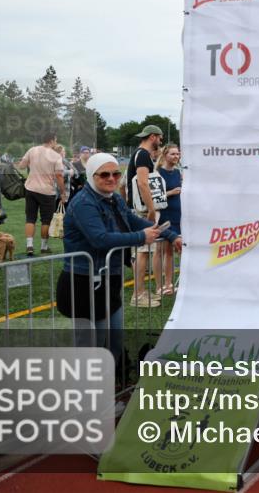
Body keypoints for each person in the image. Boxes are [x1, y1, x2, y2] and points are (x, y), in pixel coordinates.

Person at [58, 152, 181, 375]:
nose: (112, 178)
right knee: (92, 345)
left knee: (114, 339)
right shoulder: (84, 203)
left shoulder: (113, 199)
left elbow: (134, 221)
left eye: (116, 173)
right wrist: (141, 237)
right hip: (83, 281)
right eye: (104, 174)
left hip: (108, 278)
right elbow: (100, 238)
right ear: (91, 175)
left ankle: (112, 389)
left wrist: (172, 235)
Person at [125, 125, 165, 307]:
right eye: (160, 137)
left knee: (144, 252)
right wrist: (150, 209)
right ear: (152, 137)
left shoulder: (138, 154)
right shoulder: (142, 155)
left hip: (138, 208)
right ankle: (138, 295)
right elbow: (142, 183)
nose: (161, 141)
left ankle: (140, 290)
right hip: (142, 210)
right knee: (142, 252)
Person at [18, 131, 67, 256]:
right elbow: (59, 176)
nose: (56, 142)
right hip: (47, 191)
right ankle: (44, 247)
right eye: (55, 140)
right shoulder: (56, 156)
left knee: (30, 218)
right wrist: (63, 192)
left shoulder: (32, 150)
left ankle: (29, 245)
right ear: (52, 140)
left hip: (30, 188)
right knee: (46, 220)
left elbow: (21, 166)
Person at [156, 144, 182, 295]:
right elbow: (156, 198)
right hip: (164, 216)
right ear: (165, 155)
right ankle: (160, 286)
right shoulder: (158, 173)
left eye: (177, 154)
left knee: (171, 252)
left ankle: (169, 284)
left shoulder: (178, 173)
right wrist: (171, 192)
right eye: (172, 154)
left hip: (177, 216)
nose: (176, 157)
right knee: (161, 250)